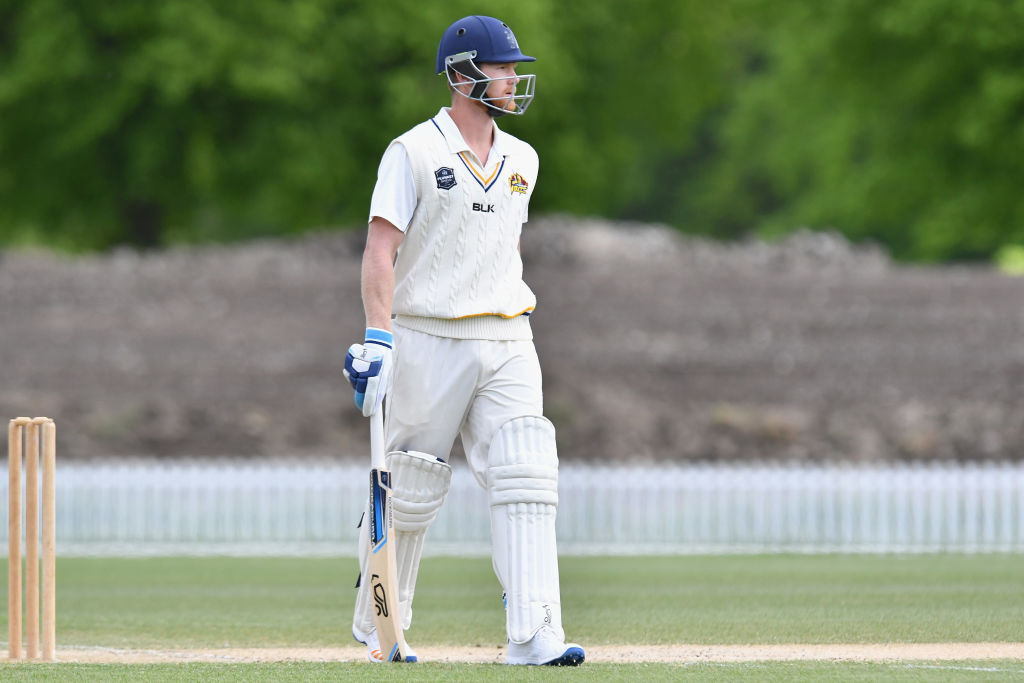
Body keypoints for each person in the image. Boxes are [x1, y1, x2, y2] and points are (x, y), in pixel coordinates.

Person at [343, 15, 585, 667]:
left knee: (526, 469)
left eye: (512, 68)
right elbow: (379, 251)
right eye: (502, 67)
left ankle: (534, 631)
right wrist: (378, 338)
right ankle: (380, 624)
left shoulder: (523, 160)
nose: (512, 78)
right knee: (414, 483)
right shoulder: (412, 152)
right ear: (462, 75)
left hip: (508, 333)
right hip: (427, 333)